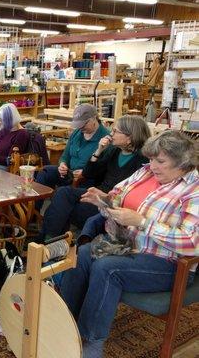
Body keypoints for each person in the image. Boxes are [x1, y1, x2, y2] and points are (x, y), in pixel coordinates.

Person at [59, 130, 198, 358]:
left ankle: (92, 343)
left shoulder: (193, 191)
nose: (152, 165)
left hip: (168, 264)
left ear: (182, 162)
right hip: (128, 248)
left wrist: (142, 222)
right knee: (82, 254)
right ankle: (63, 321)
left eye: (160, 161)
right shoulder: (144, 173)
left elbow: (192, 242)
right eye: (151, 158)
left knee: (107, 268)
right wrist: (103, 200)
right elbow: (116, 198)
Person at [39, 115, 150, 240]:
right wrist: (99, 150)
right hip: (99, 194)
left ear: (129, 138)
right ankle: (48, 240)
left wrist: (105, 196)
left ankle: (47, 242)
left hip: (113, 203)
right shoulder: (114, 151)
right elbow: (88, 174)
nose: (111, 134)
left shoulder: (143, 161)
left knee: (64, 207)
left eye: (115, 131)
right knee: (62, 193)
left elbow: (133, 196)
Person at [36, 104, 109, 190]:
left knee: (62, 192)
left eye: (83, 124)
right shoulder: (77, 133)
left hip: (87, 179)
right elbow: (65, 156)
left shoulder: (105, 139)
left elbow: (103, 168)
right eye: (78, 125)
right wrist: (63, 165)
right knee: (45, 172)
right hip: (69, 173)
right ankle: (35, 201)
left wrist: (85, 173)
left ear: (94, 118)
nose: (80, 128)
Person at [0, 103, 33, 169]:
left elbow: (10, 160)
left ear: (9, 120)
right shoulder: (5, 130)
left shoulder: (21, 134)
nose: (0, 123)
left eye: (1, 120)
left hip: (6, 166)